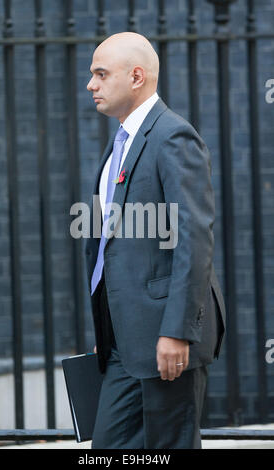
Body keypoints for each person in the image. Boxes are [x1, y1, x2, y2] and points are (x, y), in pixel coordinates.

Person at [84, 32, 226, 449]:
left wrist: (178, 331)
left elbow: (193, 239)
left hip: (166, 338)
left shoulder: (172, 136)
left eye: (100, 74)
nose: (91, 84)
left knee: (169, 445)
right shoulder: (120, 144)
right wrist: (109, 325)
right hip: (125, 340)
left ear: (136, 77)